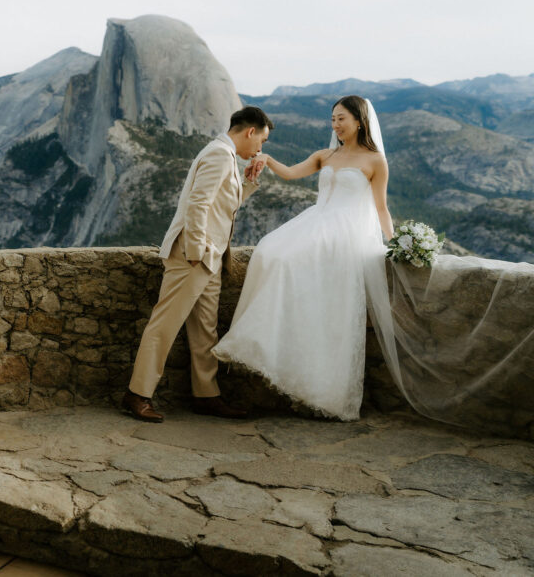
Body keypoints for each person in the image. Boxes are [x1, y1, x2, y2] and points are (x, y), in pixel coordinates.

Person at [211, 95, 392, 420]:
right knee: (269, 251)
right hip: (317, 221)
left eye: (341, 119)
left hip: (344, 233)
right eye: (333, 119)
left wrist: (395, 243)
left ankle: (322, 388)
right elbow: (293, 173)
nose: (335, 124)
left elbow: (381, 208)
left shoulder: (376, 161)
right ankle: (262, 340)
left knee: (293, 269)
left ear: (360, 121)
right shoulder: (326, 154)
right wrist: (266, 159)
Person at [122, 107, 272, 423]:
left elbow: (221, 207)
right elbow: (198, 204)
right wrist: (196, 252)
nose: (260, 149)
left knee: (205, 329)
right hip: (195, 257)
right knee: (164, 325)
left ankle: (207, 396)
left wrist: (249, 184)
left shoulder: (227, 156)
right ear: (250, 131)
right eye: (262, 140)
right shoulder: (219, 154)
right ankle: (137, 394)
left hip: (210, 258)